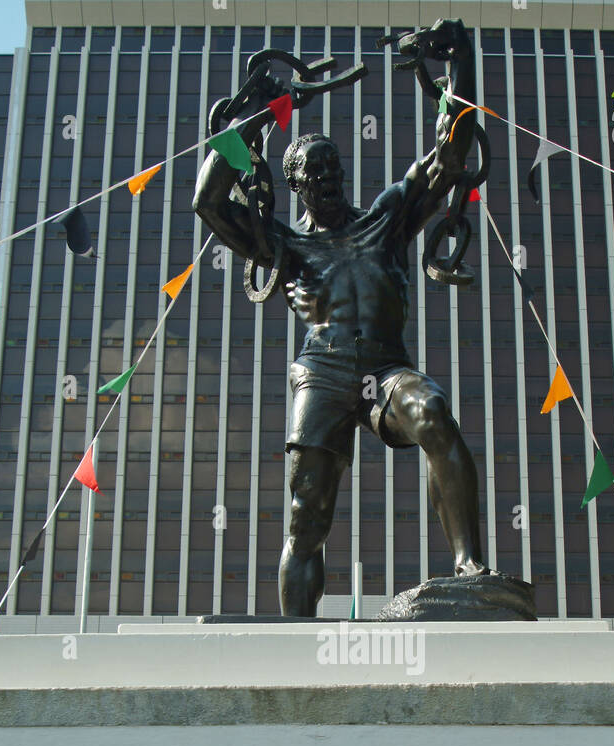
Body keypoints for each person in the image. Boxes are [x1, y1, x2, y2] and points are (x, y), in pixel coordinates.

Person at [193, 18, 487, 616]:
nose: (327, 180)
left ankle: (469, 566)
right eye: (314, 174)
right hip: (322, 371)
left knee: (433, 415)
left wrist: (459, 65)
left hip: (385, 366)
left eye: (333, 170)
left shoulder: (385, 218)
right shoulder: (282, 245)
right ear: (295, 183)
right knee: (307, 516)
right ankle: (299, 642)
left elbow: (450, 155)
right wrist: (270, 113)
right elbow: (207, 200)